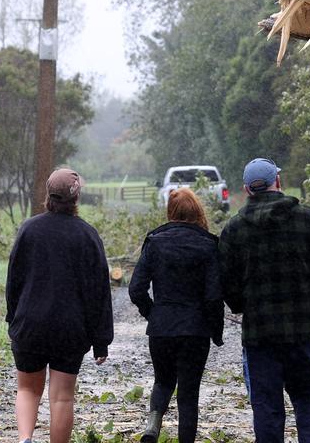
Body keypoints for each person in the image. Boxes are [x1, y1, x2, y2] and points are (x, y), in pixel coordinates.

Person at [219, 157, 310, 443]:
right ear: (279, 182)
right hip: (303, 331)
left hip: (259, 335)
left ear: (247, 189)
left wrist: (243, 305)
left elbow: (226, 283)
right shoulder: (308, 219)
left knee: (266, 406)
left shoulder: (234, 230)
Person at [5, 168, 114, 443]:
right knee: (62, 398)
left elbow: (13, 279)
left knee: (27, 389)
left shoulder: (29, 229)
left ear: (48, 195)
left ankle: (25, 439)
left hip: (30, 324)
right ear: (76, 199)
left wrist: (13, 319)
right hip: (70, 328)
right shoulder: (88, 236)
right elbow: (98, 292)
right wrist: (101, 340)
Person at [130, 188, 224, 443]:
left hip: (162, 328)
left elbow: (136, 288)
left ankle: (153, 424)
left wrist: (154, 314)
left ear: (170, 212)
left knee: (162, 381)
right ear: (197, 211)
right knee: (188, 394)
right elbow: (214, 296)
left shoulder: (154, 242)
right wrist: (216, 331)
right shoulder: (208, 245)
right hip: (195, 329)